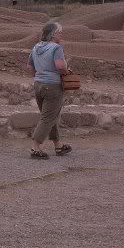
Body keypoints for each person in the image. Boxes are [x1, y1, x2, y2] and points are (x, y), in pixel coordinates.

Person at [26, 21, 73, 160]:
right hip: (52, 86)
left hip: (38, 85)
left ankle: (58, 145)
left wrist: (39, 75)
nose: (61, 35)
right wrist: (66, 71)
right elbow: (60, 66)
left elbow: (29, 67)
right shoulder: (56, 48)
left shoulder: (36, 47)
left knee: (51, 116)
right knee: (48, 117)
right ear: (53, 34)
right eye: (60, 32)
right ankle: (35, 147)